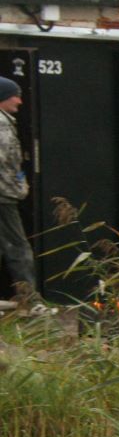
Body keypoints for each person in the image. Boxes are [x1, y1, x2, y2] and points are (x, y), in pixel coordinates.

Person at [0, 76, 37, 307]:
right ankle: (31, 302)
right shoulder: (2, 124)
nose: (20, 101)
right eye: (16, 95)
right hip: (3, 197)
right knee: (18, 247)